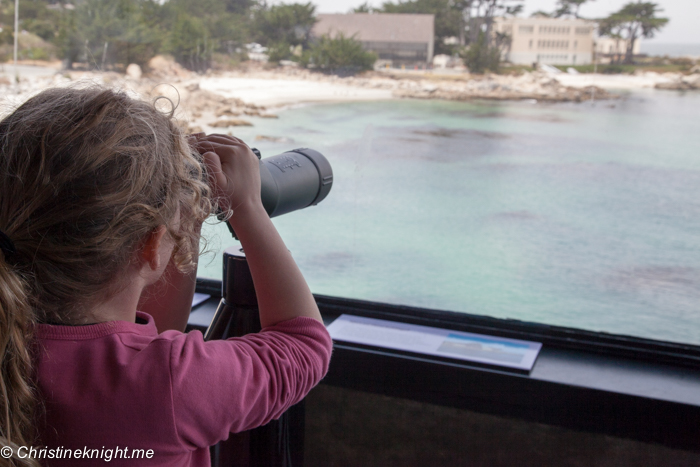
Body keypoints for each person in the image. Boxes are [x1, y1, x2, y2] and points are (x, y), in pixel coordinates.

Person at [0, 86, 332, 466]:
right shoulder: (169, 383)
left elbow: (152, 338)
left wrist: (177, 223)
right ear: (153, 246)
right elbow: (303, 346)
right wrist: (247, 207)